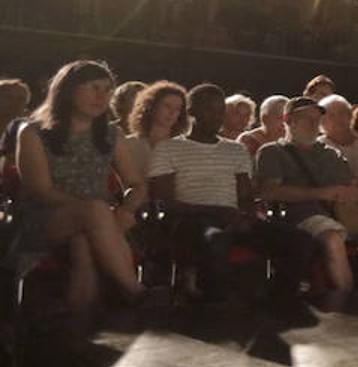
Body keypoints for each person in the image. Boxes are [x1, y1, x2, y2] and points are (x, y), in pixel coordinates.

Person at [14, 61, 147, 312]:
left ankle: (79, 327)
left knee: (83, 246)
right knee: (94, 214)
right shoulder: (32, 132)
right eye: (94, 88)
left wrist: (127, 209)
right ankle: (135, 290)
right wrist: (96, 213)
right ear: (69, 90)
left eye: (107, 90)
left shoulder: (111, 134)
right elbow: (40, 190)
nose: (102, 96)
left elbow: (136, 184)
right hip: (46, 218)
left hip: (99, 223)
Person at [255, 97, 358, 291]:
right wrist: (321, 193)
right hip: (305, 214)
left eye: (317, 120)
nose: (314, 125)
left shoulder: (331, 154)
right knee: (333, 239)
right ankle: (348, 297)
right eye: (308, 119)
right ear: (289, 121)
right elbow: (270, 191)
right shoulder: (272, 151)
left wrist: (354, 193)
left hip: (345, 212)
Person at [146, 84, 257, 301]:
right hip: (190, 220)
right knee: (215, 237)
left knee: (296, 239)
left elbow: (245, 196)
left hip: (231, 217)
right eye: (209, 110)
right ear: (192, 111)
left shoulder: (236, 149)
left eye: (220, 111)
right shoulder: (168, 148)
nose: (217, 117)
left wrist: (247, 216)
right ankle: (214, 305)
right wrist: (218, 212)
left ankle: (282, 305)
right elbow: (165, 202)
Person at [125, 81, 188, 177]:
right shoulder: (128, 144)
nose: (172, 112)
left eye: (177, 108)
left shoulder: (184, 147)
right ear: (151, 106)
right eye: (167, 106)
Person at [318, 95, 358, 180]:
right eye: (331, 115)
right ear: (322, 122)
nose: (338, 119)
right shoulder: (318, 147)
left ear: (350, 116)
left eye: (341, 113)